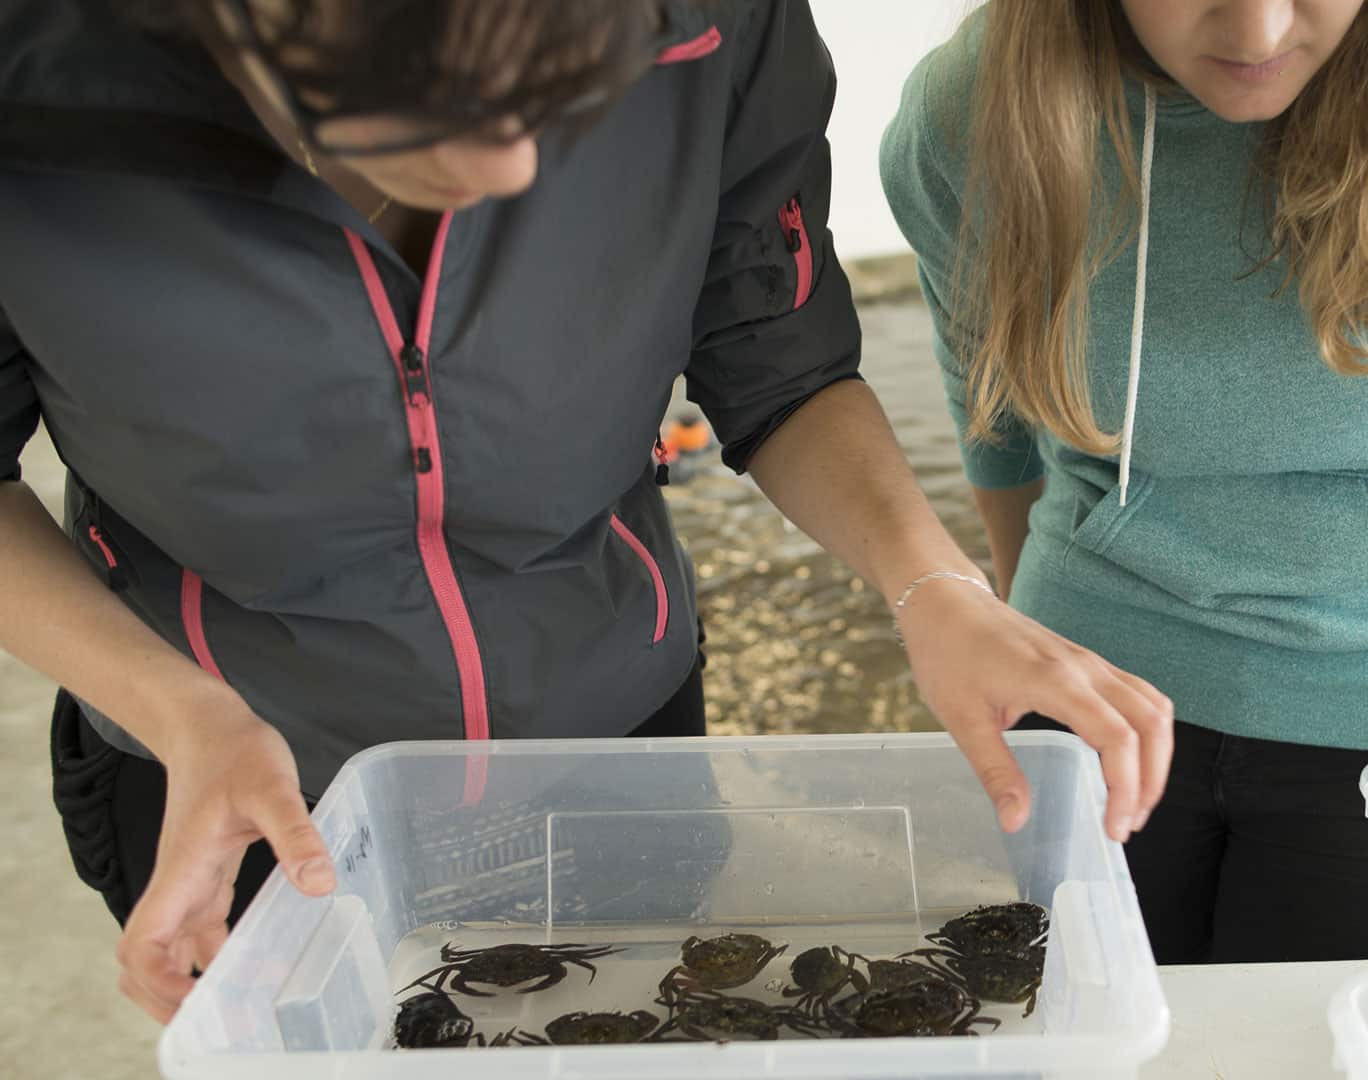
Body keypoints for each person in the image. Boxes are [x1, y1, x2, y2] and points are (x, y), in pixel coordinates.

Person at [0, 0, 1174, 1022]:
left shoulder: (722, 20)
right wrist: (180, 711)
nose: (518, 167)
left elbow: (777, 356)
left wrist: (935, 585)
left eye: (582, 82)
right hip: (234, 772)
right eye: (446, 88)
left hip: (614, 725)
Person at [881, 0, 1368, 963]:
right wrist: (1020, 643)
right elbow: (989, 405)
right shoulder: (968, 107)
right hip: (1092, 691)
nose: (1255, 33)